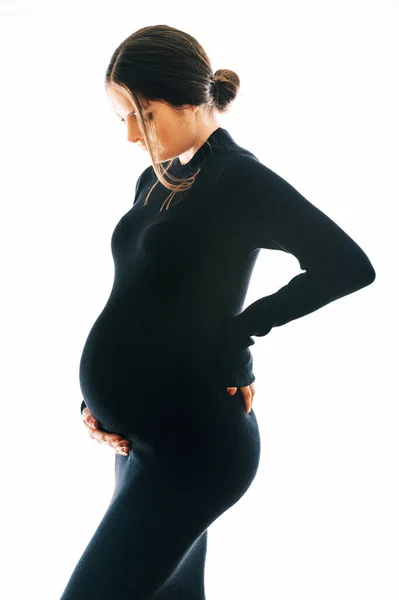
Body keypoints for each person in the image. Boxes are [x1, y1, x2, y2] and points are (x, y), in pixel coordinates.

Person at [59, 24, 376, 600]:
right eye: (123, 119)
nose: (133, 135)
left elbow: (348, 266)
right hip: (138, 445)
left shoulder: (238, 177)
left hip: (195, 449)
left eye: (144, 115)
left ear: (187, 97)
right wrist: (96, 400)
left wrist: (238, 338)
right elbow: (141, 297)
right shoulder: (156, 179)